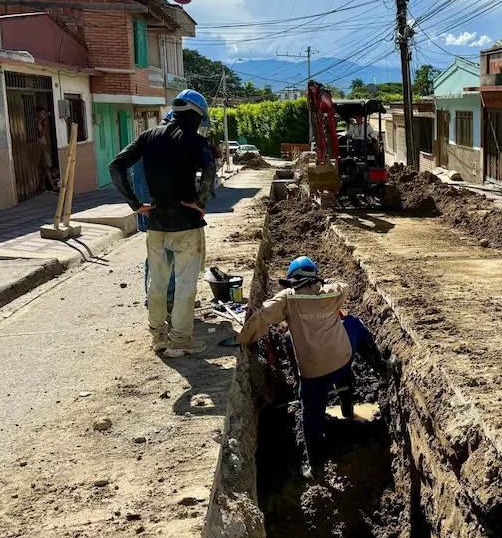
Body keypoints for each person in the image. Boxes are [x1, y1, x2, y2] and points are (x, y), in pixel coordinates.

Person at [109, 90, 216, 358]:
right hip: (186, 227)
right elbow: (209, 169)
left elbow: (116, 166)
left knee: (156, 283)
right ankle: (180, 340)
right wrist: (200, 202)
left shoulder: (148, 136)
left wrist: (135, 204)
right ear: (195, 113)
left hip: (156, 224)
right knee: (185, 285)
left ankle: (157, 336)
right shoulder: (193, 139)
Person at [238, 256, 353, 450]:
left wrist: (241, 339)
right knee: (346, 378)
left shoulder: (288, 298)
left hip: (313, 372)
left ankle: (316, 467)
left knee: (311, 417)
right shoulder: (333, 293)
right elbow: (344, 286)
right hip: (343, 360)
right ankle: (348, 412)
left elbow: (263, 316)